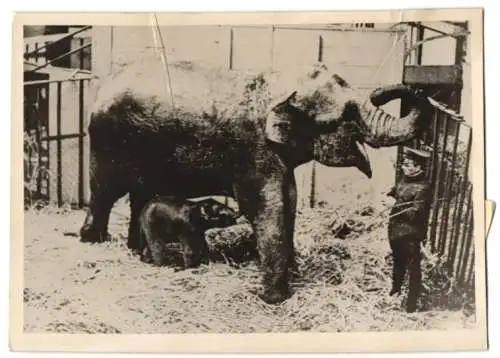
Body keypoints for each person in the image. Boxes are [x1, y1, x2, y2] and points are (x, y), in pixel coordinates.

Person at [386, 146, 432, 313]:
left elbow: (415, 213)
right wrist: (390, 193)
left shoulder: (424, 188)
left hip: (410, 233)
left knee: (413, 269)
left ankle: (411, 305)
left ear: (418, 167)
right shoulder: (405, 178)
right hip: (395, 230)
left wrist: (395, 206)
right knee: (397, 261)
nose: (403, 166)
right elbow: (398, 190)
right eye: (404, 163)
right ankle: (395, 289)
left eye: (408, 164)